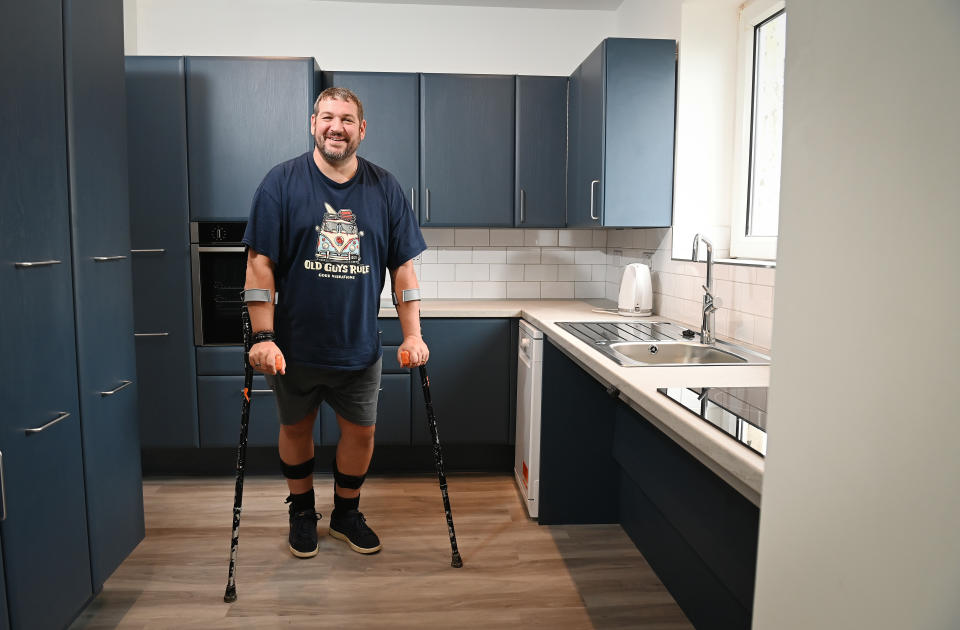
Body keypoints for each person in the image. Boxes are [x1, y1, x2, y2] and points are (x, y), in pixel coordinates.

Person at [241, 87, 428, 558]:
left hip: (358, 348)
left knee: (361, 433)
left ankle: (346, 513)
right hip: (294, 349)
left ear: (361, 129)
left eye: (347, 119)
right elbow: (260, 264)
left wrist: (413, 334)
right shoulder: (280, 183)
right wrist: (263, 336)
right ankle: (302, 512)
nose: (336, 127)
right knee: (296, 430)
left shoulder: (385, 188)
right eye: (328, 117)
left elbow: (403, 270)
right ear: (313, 123)